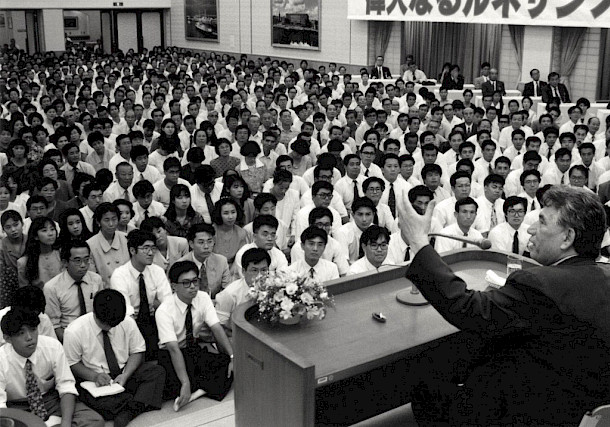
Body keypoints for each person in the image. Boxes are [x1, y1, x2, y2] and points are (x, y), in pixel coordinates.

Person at [401, 185, 610, 426]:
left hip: (526, 412)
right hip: (583, 409)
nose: (530, 229)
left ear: (567, 238)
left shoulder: (540, 283)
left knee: (427, 385)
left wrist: (418, 242)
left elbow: (467, 308)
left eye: (542, 222)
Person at [63, 289, 165, 427]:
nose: (110, 327)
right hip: (97, 379)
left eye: (114, 324)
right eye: (106, 324)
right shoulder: (74, 331)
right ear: (95, 313)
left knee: (157, 372)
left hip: (125, 371)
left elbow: (137, 351)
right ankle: (138, 404)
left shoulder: (126, 321)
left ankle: (129, 409)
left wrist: (125, 375)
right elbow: (72, 364)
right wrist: (95, 377)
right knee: (97, 402)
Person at [0, 306, 105, 426]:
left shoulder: (52, 347)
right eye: (21, 333)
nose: (29, 337)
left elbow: (66, 386)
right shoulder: (2, 359)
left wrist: (66, 423)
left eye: (33, 330)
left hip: (50, 400)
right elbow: (1, 405)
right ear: (8, 339)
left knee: (95, 421)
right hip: (16, 406)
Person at [155, 261, 234, 408]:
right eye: (186, 283)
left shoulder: (203, 297)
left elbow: (216, 328)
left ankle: (198, 392)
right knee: (169, 383)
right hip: (170, 354)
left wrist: (232, 356)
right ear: (174, 286)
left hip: (192, 349)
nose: (192, 286)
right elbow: (173, 349)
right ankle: (198, 387)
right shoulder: (164, 310)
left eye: (195, 281)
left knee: (227, 364)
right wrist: (185, 382)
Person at [110, 229, 171, 361]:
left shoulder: (157, 271)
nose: (151, 253)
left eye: (153, 248)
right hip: (130, 322)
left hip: (153, 320)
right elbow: (126, 311)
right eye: (145, 248)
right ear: (132, 250)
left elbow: (168, 302)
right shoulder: (120, 275)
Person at [43, 241, 104, 342]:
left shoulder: (96, 279)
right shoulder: (52, 288)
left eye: (86, 260)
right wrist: (72, 342)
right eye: (77, 261)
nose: (83, 265)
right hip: (69, 336)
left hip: (95, 333)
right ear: (65, 262)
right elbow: (54, 326)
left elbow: (101, 312)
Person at [215, 248, 270, 335]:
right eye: (254, 270)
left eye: (264, 270)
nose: (260, 275)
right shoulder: (230, 294)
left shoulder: (273, 288)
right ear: (243, 271)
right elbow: (221, 325)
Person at [177, 223, 231, 298]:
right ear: (191, 244)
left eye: (209, 241)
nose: (206, 246)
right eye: (201, 242)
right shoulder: (180, 265)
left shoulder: (221, 261)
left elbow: (227, 291)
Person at [86, 203, 130, 286]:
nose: (111, 224)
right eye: (106, 220)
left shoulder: (126, 239)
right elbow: (93, 277)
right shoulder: (90, 245)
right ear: (98, 222)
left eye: (114, 219)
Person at [17, 217, 62, 288]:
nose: (50, 234)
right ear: (36, 236)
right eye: (44, 230)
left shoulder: (61, 254)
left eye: (52, 229)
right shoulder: (24, 262)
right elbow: (25, 290)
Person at [212, 197, 250, 266]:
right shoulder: (211, 232)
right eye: (226, 213)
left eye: (233, 212)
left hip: (234, 268)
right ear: (219, 214)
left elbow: (240, 258)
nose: (230, 217)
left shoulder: (241, 233)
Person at [0, 210, 26, 308]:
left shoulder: (31, 241)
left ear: (22, 223)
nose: (13, 229)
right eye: (8, 227)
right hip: (10, 288)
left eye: (16, 225)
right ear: (3, 230)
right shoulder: (1, 247)